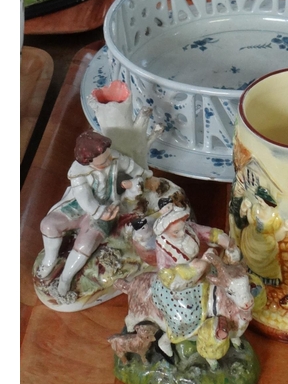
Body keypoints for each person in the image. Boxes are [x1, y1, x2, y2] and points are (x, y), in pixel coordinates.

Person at [37, 131, 152, 296]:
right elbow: (84, 197)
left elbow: (135, 169)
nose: (110, 161)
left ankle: (65, 278)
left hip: (108, 207)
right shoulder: (78, 172)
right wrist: (99, 212)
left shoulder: (114, 158)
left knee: (85, 244)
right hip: (80, 207)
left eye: (109, 156)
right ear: (88, 162)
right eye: (103, 162)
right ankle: (49, 260)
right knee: (48, 225)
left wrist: (138, 180)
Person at [150, 199, 240, 344]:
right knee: (186, 315)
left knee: (224, 288)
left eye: (182, 228)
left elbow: (207, 233)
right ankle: (184, 338)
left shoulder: (188, 228)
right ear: (165, 230)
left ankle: (221, 321)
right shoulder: (163, 245)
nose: (181, 234)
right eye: (176, 232)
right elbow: (165, 273)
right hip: (179, 283)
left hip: (203, 270)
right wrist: (193, 269)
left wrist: (225, 240)